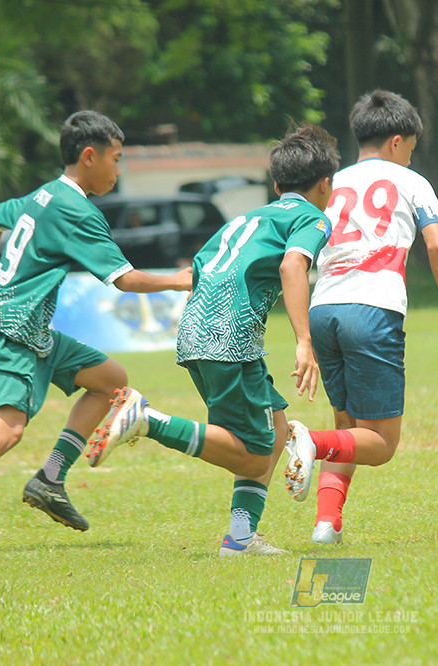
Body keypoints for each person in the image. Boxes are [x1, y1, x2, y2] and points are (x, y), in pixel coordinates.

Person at [0, 110, 193, 554]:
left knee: (110, 380)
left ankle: (50, 479)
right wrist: (183, 278)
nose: (119, 168)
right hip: (13, 329)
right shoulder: (77, 211)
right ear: (90, 157)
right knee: (6, 430)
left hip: (31, 327)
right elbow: (126, 281)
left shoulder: (44, 196)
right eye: (117, 158)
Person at [85, 123, 340, 557]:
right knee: (255, 455)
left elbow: (196, 271)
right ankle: (148, 420)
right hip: (231, 339)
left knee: (275, 429)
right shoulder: (311, 217)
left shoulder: (245, 219)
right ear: (325, 184)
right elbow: (293, 267)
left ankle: (240, 538)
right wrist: (304, 342)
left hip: (197, 331)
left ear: (277, 184)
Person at [289, 89, 438, 545]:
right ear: (397, 142)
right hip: (372, 311)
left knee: (348, 429)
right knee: (382, 444)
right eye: (411, 149)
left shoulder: (329, 183)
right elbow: (437, 245)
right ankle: (309, 443)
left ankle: (325, 525)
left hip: (323, 310)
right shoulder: (410, 181)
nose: (412, 158)